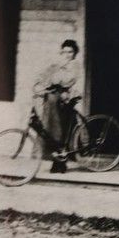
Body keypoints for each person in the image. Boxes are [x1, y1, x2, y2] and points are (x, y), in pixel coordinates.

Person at [32, 38, 81, 173]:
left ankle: (61, 164)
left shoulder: (74, 65)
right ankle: (56, 162)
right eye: (64, 51)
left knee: (61, 131)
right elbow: (45, 75)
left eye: (70, 52)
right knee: (50, 130)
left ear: (74, 53)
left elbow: (65, 80)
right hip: (53, 99)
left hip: (65, 100)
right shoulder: (58, 64)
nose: (67, 54)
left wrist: (55, 77)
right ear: (61, 52)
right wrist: (39, 83)